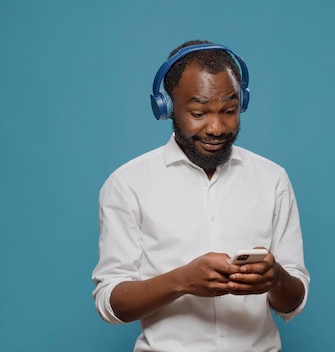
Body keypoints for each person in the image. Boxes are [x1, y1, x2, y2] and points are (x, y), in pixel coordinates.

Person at [92, 39, 310, 351]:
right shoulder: (128, 184)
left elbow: (293, 302)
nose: (217, 127)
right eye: (198, 112)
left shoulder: (272, 178)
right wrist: (181, 281)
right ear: (166, 108)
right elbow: (110, 304)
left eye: (230, 110)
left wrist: (275, 278)